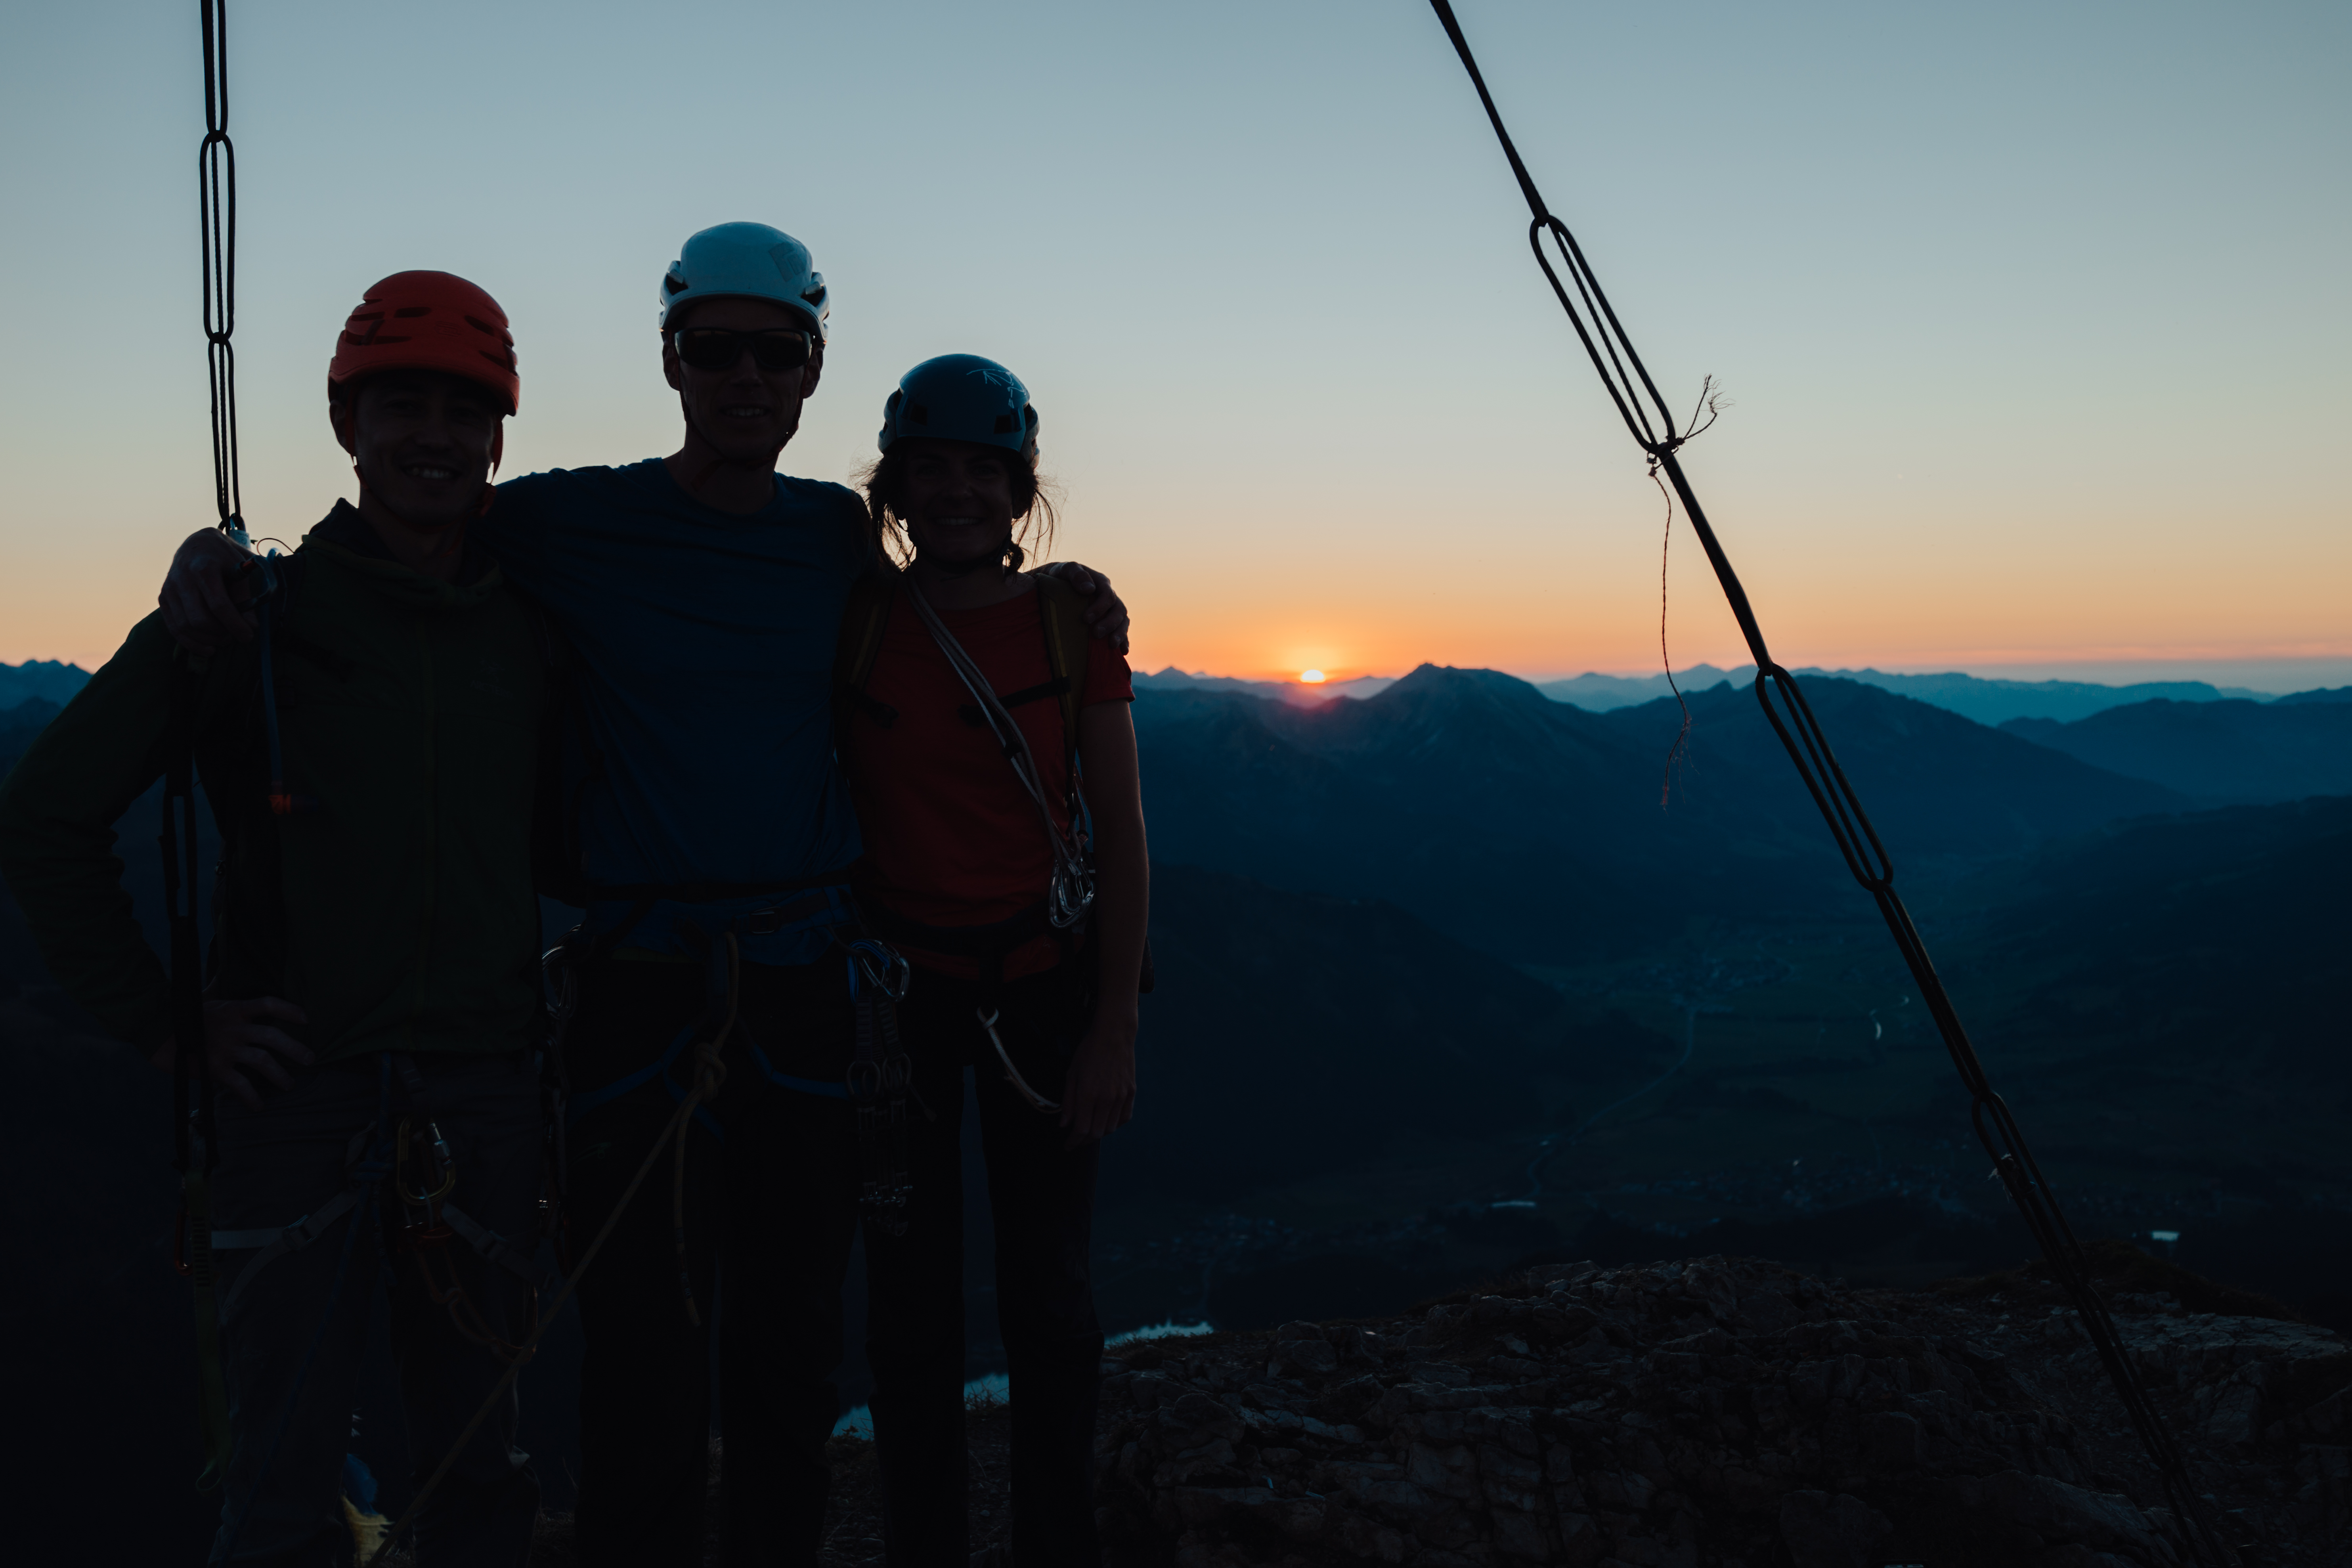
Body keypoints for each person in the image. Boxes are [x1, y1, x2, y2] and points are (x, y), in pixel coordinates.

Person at [156, 224, 1132, 1567]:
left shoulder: (835, 536)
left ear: (809, 372)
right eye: (716, 349)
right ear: (672, 362)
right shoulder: (568, 520)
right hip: (646, 992)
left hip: (797, 991)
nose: (744, 376)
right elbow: (408, 518)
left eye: (773, 353)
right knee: (644, 1359)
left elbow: (950, 610)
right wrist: (222, 561)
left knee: (789, 1350)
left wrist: (1072, 590)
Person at [0, 271, 548, 1565]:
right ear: (346, 425)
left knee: (477, 1474)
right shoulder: (250, 618)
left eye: (461, 411)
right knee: (285, 1492)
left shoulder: (530, 623)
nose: (432, 436)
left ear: (499, 438)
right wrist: (166, 1027)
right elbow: (44, 816)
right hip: (306, 1094)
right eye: (398, 405)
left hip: (480, 1088)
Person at [828, 354, 1149, 1567]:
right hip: (899, 1003)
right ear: (895, 487)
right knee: (910, 1307)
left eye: (981, 470)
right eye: (930, 469)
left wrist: (1115, 1026)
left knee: (1048, 1297)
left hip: (1042, 994)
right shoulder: (858, 617)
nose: (954, 491)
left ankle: (1053, 1545)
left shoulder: (1069, 625)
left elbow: (1121, 837)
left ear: (1020, 493)